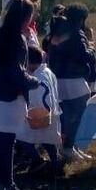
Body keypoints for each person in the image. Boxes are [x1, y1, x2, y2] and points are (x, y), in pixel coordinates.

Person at [0, 0, 40, 190]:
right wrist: (35, 81)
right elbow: (17, 73)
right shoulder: (19, 40)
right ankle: (7, 185)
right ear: (26, 17)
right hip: (9, 100)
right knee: (7, 143)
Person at [47, 3, 96, 162]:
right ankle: (68, 147)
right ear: (81, 18)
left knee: (67, 115)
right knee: (81, 114)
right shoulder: (77, 33)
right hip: (74, 80)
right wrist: (91, 47)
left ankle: (68, 146)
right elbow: (83, 56)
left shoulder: (58, 29)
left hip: (59, 78)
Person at [16, 45, 62, 176]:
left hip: (40, 116)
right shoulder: (47, 71)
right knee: (49, 140)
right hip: (52, 114)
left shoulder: (38, 78)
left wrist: (38, 112)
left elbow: (40, 97)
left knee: (22, 137)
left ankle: (38, 161)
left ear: (27, 62)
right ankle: (55, 164)